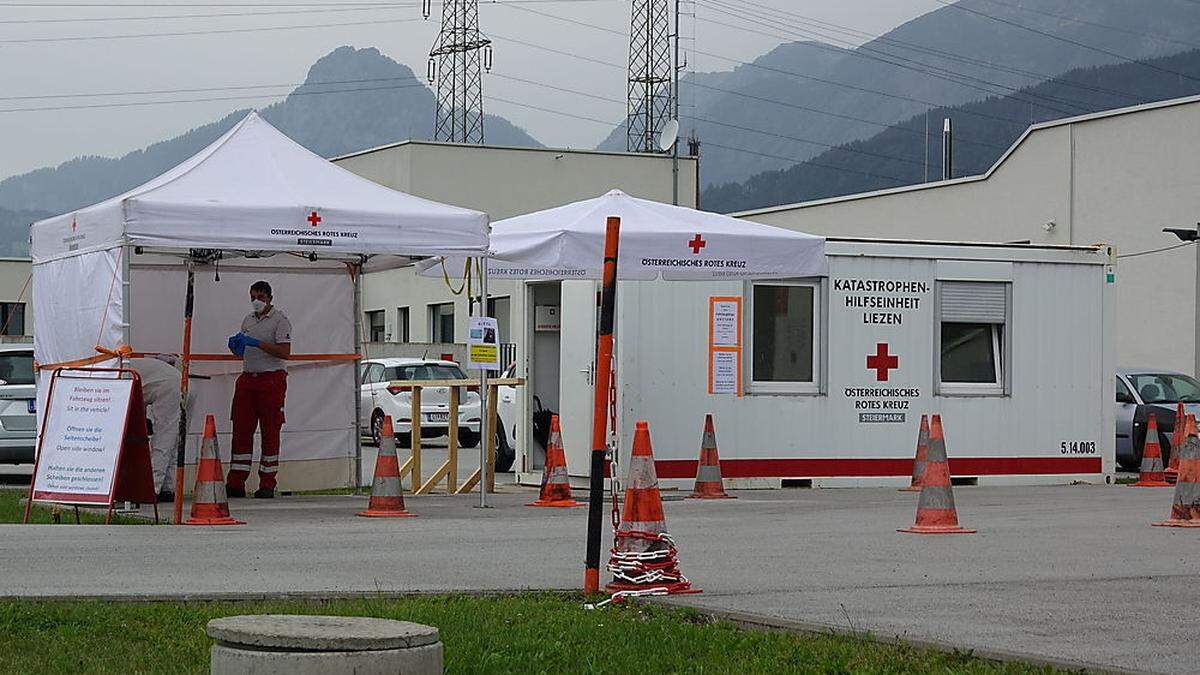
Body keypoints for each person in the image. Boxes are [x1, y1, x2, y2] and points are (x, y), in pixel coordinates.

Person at [225, 280, 292, 499]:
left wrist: (257, 343)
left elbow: (284, 352)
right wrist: (237, 347)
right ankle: (236, 482)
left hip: (271, 379)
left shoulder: (280, 320)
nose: (256, 301)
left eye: (261, 297)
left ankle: (267, 483)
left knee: (270, 431)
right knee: (241, 430)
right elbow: (243, 351)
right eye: (253, 297)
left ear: (270, 298)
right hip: (248, 379)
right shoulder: (248, 320)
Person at [127, 355, 191, 503]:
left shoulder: (116, 374)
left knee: (164, 441)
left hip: (171, 388)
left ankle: (152, 489)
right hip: (184, 384)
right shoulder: (131, 366)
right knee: (174, 442)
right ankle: (167, 488)